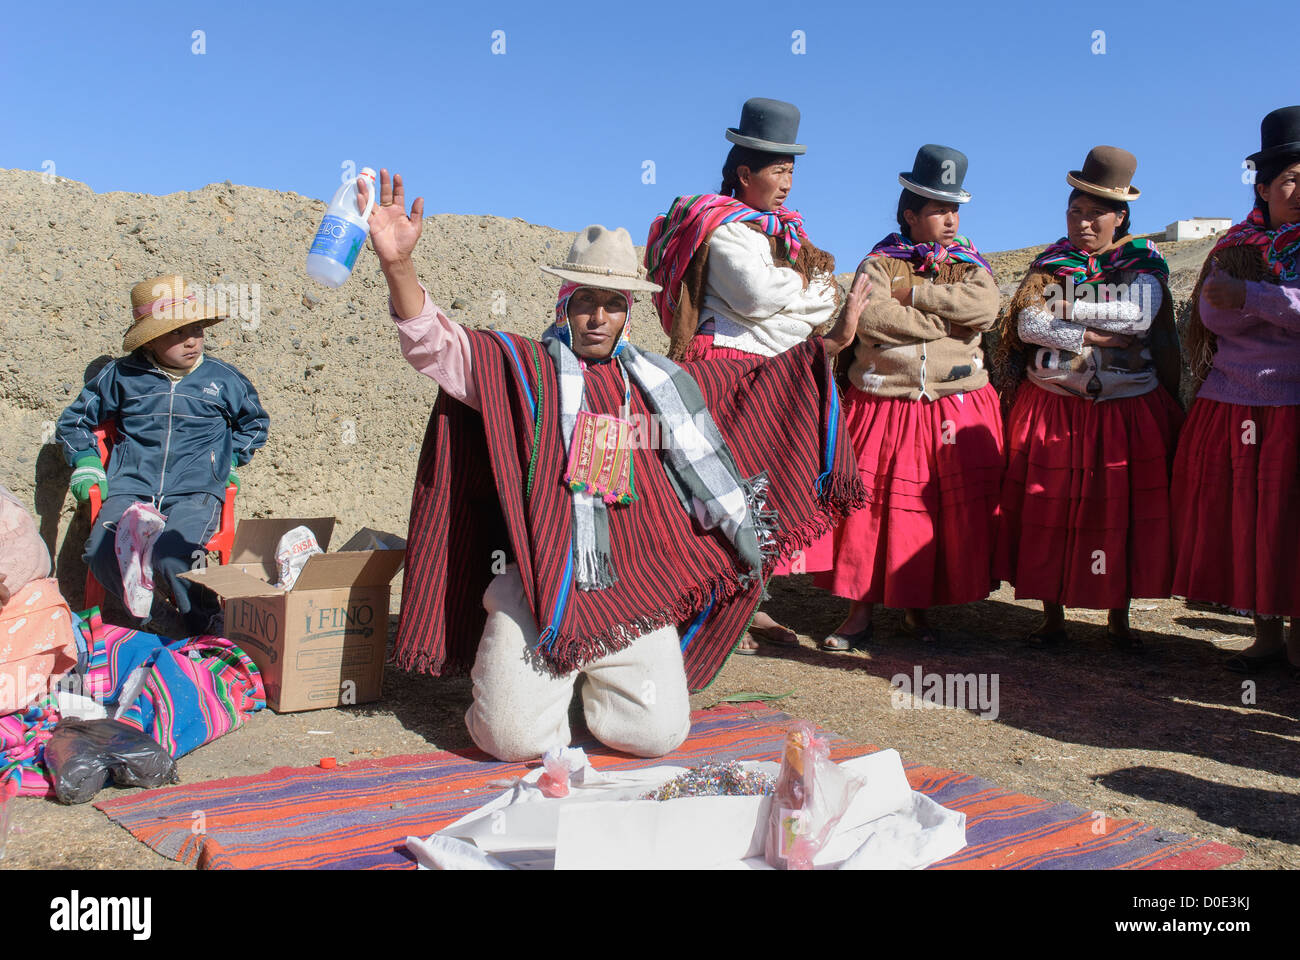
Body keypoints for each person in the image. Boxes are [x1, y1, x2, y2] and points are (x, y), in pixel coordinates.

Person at [367, 169, 867, 762]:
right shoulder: (522, 373)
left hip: (632, 596)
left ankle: (582, 686)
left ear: (628, 312)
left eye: (611, 303)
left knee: (654, 736)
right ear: (565, 307)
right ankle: (528, 679)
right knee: (512, 741)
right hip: (541, 590)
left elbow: (754, 388)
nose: (598, 317)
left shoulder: (665, 384)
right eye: (584, 303)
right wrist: (399, 267)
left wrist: (827, 347)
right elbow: (436, 345)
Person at [645, 97, 841, 654]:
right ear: (744, 173)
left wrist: (793, 300)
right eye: (778, 170)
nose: (787, 182)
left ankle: (750, 606)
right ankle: (708, 607)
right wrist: (801, 296)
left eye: (792, 171)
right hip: (722, 372)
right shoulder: (720, 227)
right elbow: (754, 296)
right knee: (716, 493)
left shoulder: (781, 235)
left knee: (764, 489)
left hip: (769, 372)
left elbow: (825, 302)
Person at [991, 146, 1183, 649]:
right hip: (1055, 402)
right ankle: (1051, 612)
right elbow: (1027, 323)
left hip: (1126, 405)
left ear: (1120, 217)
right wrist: (1090, 335)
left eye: (1096, 214)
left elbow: (1138, 317)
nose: (1083, 223)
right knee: (1051, 507)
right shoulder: (1050, 263)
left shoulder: (1143, 261)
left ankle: (1118, 617)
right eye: (1075, 212)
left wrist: (1067, 308)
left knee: (1117, 512)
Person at [816, 145, 1003, 649]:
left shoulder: (969, 264)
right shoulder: (878, 264)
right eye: (939, 210)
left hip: (948, 403)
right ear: (910, 215)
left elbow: (984, 309)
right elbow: (872, 318)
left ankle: (918, 608)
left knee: (929, 510)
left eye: (955, 209)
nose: (950, 219)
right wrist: (945, 324)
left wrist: (917, 297)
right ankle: (859, 612)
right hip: (884, 400)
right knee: (868, 510)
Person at [55, 274, 269, 633]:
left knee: (178, 556)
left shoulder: (225, 380)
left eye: (197, 329)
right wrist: (88, 463)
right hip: (131, 488)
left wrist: (228, 460)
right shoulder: (121, 377)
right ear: (150, 340)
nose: (191, 341)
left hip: (196, 490)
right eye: (176, 333)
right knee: (100, 553)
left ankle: (205, 623)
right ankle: (158, 618)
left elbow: (255, 424)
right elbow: (74, 421)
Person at [1175, 105, 1300, 674]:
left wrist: (1253, 300)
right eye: (1290, 180)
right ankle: (1266, 635)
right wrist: (1278, 310)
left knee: (1290, 522)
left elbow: (1235, 306)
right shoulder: (1235, 244)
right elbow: (1212, 316)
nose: (1299, 191)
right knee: (1248, 522)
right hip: (1232, 403)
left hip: (1292, 404)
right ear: (1265, 186)